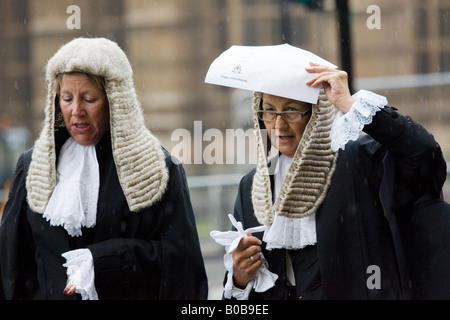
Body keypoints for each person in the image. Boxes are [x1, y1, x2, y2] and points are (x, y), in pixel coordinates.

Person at [220, 60, 449, 299]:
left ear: (315, 113)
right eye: (269, 110)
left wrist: (351, 105)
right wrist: (239, 278)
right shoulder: (253, 185)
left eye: (291, 110)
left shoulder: (359, 161)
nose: (278, 125)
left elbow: (425, 156)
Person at [0, 37, 208, 300]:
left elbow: (181, 267)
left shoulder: (156, 168)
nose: (76, 111)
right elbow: (11, 265)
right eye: (66, 98)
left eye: (89, 98)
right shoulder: (33, 166)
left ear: (115, 100)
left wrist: (104, 260)